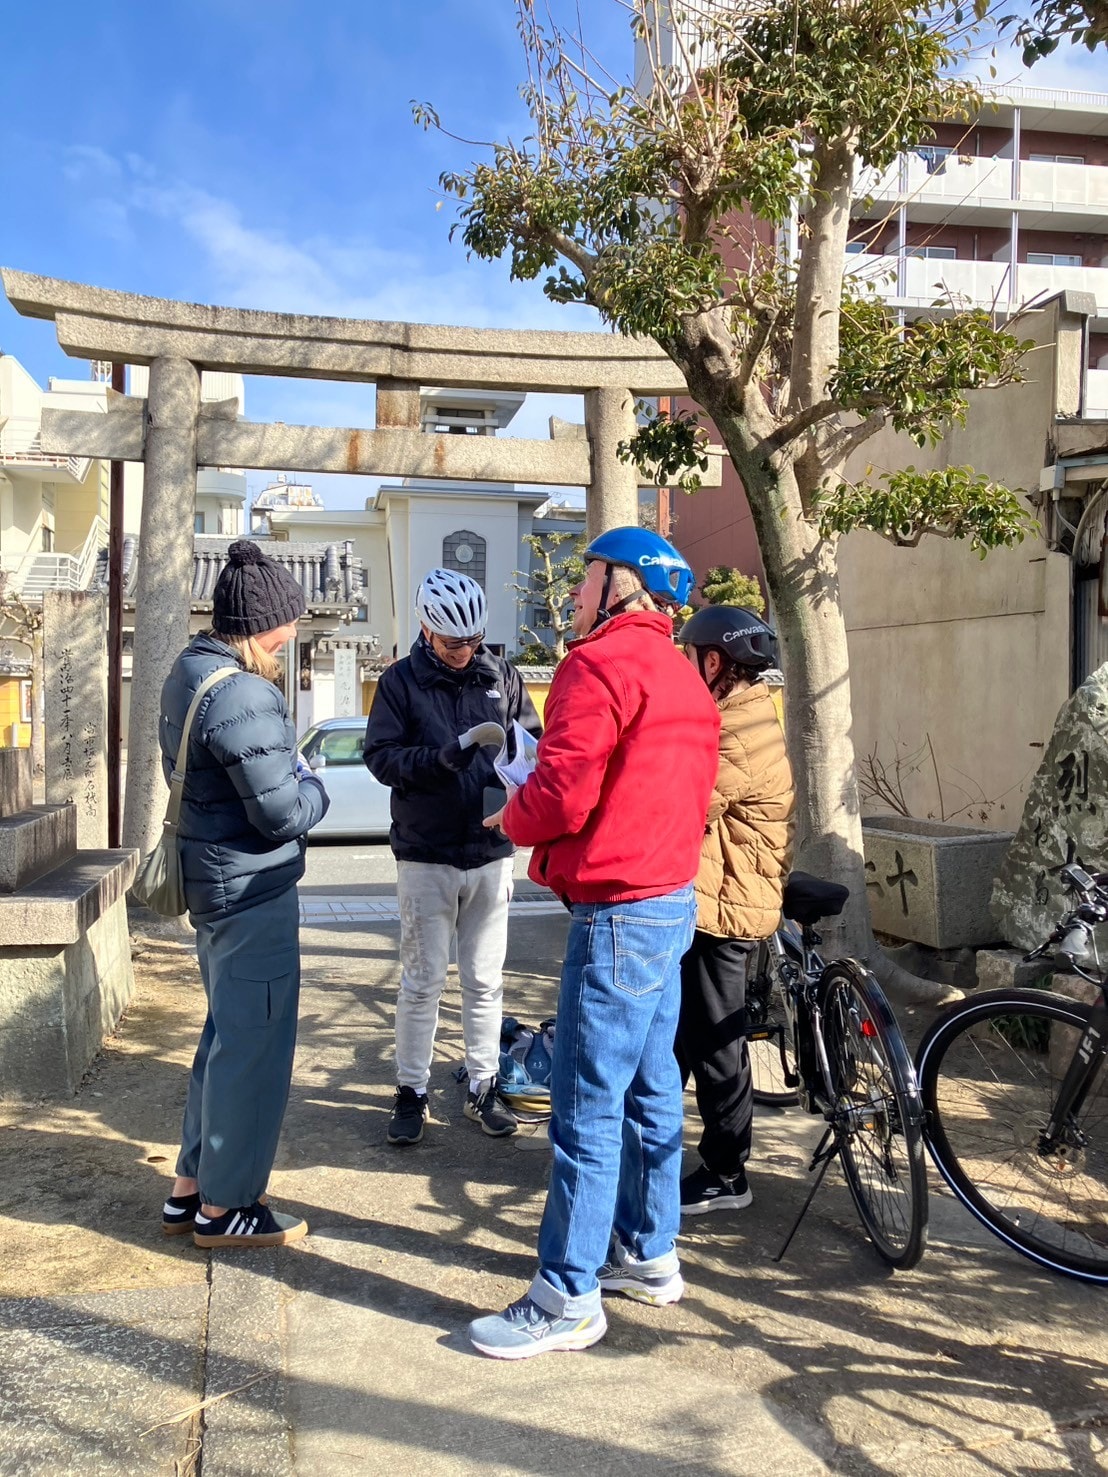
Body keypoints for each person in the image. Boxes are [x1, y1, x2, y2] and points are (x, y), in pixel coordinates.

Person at [467, 527, 721, 1360]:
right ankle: (649, 1253)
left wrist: (513, 814)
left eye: (588, 577)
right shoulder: (685, 677)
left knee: (585, 1107)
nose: (576, 592)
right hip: (668, 905)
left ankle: (567, 1292)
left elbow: (564, 793)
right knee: (652, 1092)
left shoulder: (597, 665)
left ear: (621, 585)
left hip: (614, 913)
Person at [159, 539, 329, 1249]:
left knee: (224, 1038)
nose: (290, 642)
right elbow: (283, 811)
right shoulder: (245, 694)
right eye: (287, 629)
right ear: (262, 628)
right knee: (254, 1051)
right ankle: (228, 1206)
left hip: (214, 886)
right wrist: (314, 782)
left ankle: (192, 1185)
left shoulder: (186, 673)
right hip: (252, 891)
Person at [363, 567, 542, 1145]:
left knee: (486, 981)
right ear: (425, 629)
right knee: (421, 982)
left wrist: (518, 764)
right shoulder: (400, 683)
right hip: (426, 852)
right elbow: (382, 758)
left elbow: (536, 744)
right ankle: (411, 1091)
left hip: (491, 850)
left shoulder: (503, 675)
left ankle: (483, 1085)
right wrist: (441, 758)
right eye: (451, 642)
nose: (465, 652)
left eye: (473, 640)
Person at [674, 605, 794, 1216]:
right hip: (716, 899)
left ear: (714, 662)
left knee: (715, 1042)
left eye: (689, 657)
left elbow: (685, 806)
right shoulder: (737, 716)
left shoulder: (737, 732)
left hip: (725, 910)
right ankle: (651, 1148)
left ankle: (726, 1171)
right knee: (676, 1036)